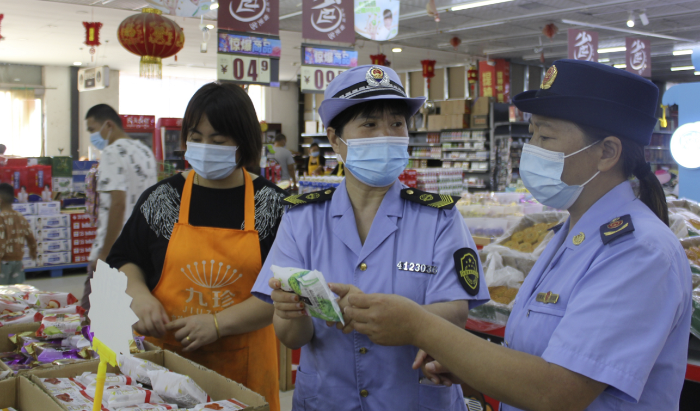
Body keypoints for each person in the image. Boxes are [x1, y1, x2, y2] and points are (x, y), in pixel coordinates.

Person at [340, 60, 692, 411]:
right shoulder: (572, 233)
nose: (532, 148)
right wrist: (470, 365)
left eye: (546, 136)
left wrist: (420, 327)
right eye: (533, 133)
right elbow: (539, 357)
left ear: (608, 152)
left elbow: (557, 392)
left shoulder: (638, 252)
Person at [251, 65, 491, 411]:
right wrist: (291, 314)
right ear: (335, 140)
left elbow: (455, 313)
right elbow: (292, 338)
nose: (387, 135)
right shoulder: (302, 220)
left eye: (396, 123)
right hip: (327, 401)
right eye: (369, 124)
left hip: (414, 400)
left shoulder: (440, 218)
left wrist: (402, 320)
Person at [106, 83, 284, 411]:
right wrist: (139, 295)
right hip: (165, 368)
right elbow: (125, 258)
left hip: (244, 371)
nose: (204, 147)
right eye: (196, 138)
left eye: (217, 141)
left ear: (243, 143)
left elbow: (286, 292)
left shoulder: (272, 206)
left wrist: (218, 323)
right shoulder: (162, 199)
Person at [80, 104, 157, 310]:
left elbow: (118, 203)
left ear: (108, 125)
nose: (92, 135)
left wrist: (105, 253)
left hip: (116, 249)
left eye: (92, 129)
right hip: (142, 249)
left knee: (91, 317)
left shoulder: (111, 152)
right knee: (128, 316)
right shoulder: (145, 151)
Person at [0, 183, 38, 285]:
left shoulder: (1, 218)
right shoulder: (20, 217)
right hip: (18, 261)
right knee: (17, 291)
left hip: (3, 262)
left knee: (2, 293)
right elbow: (30, 236)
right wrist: (33, 251)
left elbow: (1, 242)